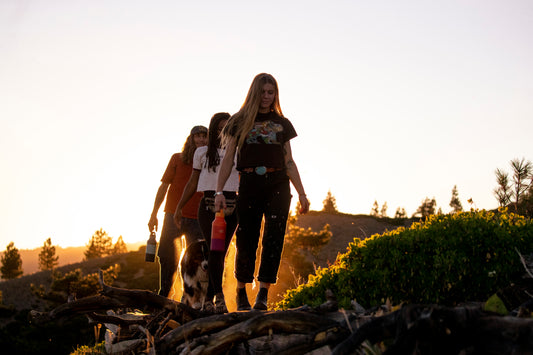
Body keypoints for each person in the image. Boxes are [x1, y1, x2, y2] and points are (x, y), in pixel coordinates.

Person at [214, 73, 310, 311]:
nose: (267, 97)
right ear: (254, 93)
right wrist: (218, 191)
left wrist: (301, 193)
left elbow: (289, 161)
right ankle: (241, 290)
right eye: (263, 92)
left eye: (271, 92)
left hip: (278, 182)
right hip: (248, 182)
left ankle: (263, 293)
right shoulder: (239, 121)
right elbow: (228, 160)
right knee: (247, 237)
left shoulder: (282, 124)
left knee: (274, 237)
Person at [174, 112, 239, 313]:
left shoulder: (237, 151)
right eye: (219, 128)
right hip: (208, 206)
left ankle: (212, 298)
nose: (222, 132)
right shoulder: (202, 153)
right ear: (213, 131)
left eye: (226, 128)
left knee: (221, 254)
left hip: (232, 206)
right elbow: (193, 182)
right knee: (213, 252)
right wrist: (179, 207)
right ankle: (217, 298)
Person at [148, 125, 208, 298]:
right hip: (172, 215)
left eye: (205, 137)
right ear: (191, 139)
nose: (201, 140)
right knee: (167, 256)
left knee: (195, 260)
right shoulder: (177, 159)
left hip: (197, 218)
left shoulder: (210, 162)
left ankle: (187, 298)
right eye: (197, 136)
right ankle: (164, 294)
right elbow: (164, 187)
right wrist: (153, 214)